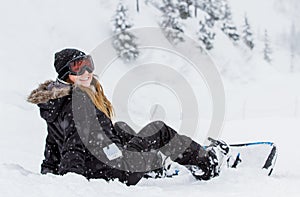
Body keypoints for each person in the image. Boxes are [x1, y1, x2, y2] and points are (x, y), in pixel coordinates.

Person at [27, 48, 229, 186]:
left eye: (88, 64)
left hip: (102, 165)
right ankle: (208, 164)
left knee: (120, 128)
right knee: (159, 129)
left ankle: (153, 169)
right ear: (65, 75)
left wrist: (49, 171)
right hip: (112, 171)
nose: (87, 72)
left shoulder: (58, 102)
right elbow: (74, 144)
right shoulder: (77, 104)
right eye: (78, 67)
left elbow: (54, 141)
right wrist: (72, 181)